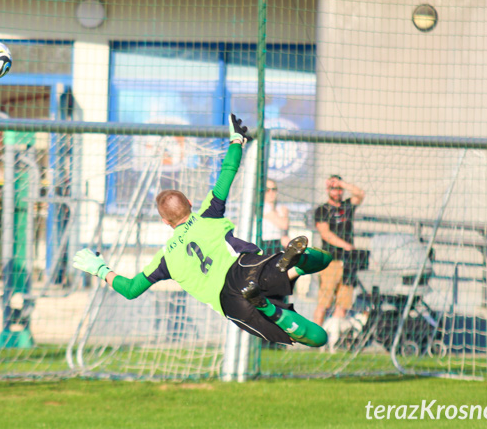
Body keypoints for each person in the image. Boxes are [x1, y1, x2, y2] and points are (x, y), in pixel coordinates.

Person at [73, 115, 332, 348]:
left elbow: (131, 289)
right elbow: (228, 172)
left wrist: (100, 269)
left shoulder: (165, 260)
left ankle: (271, 309)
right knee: (324, 259)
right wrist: (236, 140)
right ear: (191, 205)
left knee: (318, 338)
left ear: (165, 222)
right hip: (247, 266)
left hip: (231, 300)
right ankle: (295, 266)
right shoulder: (208, 213)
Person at [312, 174, 365, 327]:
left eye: (339, 189)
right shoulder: (322, 210)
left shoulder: (347, 207)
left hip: (348, 262)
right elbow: (326, 234)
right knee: (324, 303)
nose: (337, 192)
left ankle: (333, 342)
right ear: (328, 189)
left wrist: (343, 183)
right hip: (331, 261)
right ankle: (315, 337)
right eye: (333, 188)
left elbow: (360, 194)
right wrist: (345, 245)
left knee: (343, 303)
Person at [261, 179, 290, 256]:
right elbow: (284, 225)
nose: (271, 193)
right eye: (267, 190)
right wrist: (285, 215)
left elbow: (285, 231)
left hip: (278, 244)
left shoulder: (279, 207)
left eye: (274, 189)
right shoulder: (262, 207)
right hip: (266, 244)